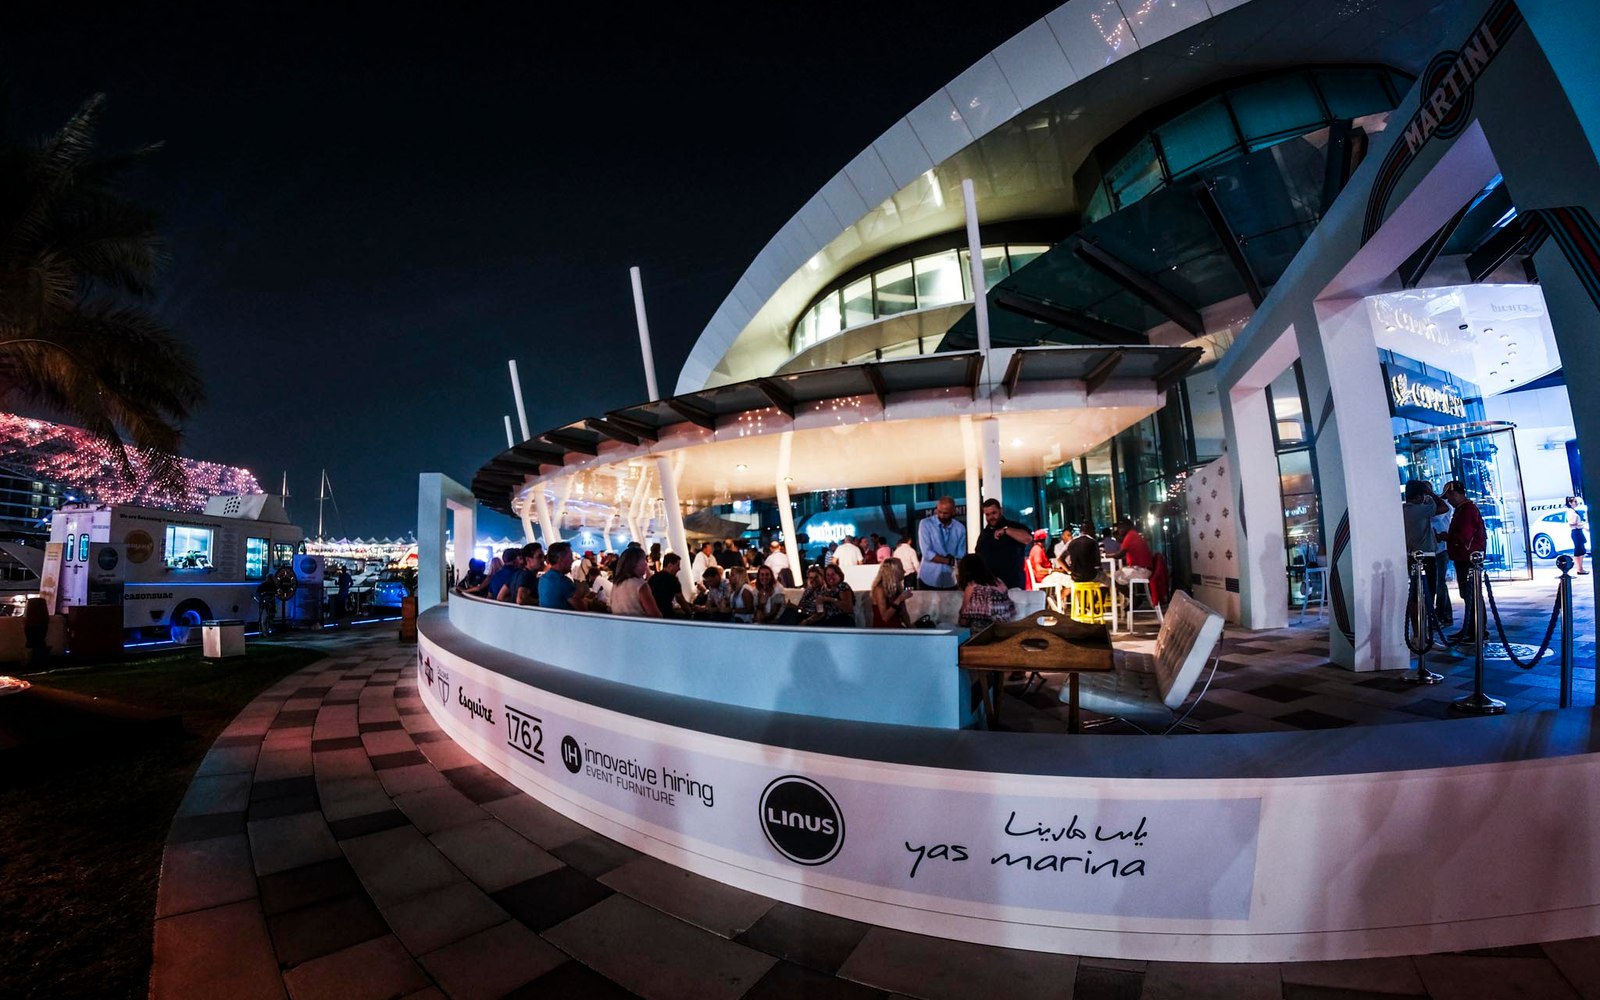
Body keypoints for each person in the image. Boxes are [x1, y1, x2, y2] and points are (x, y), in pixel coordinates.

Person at [1443, 480, 1487, 643]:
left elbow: (1464, 535)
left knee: (1471, 594)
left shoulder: (1466, 510)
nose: (1449, 501)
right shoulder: (1464, 509)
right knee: (1469, 595)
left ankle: (1477, 631)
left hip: (1467, 558)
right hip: (1464, 557)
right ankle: (1471, 629)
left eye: (1449, 497)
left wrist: (1447, 537)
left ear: (1455, 494)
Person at [1401, 481, 1443, 623]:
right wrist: (1430, 494)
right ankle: (1424, 629)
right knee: (1428, 593)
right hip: (1426, 556)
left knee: (1415, 593)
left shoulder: (1404, 510)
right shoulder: (1420, 510)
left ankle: (1418, 629)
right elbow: (1444, 507)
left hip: (1411, 556)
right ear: (1419, 496)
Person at [975, 498, 1033, 591]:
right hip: (990, 585)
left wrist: (1006, 530)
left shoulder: (1013, 526)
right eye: (987, 514)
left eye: (994, 513)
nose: (991, 517)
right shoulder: (984, 533)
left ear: (1000, 511)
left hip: (1012, 584)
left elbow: (1028, 538)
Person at [917, 496, 966, 590]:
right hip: (929, 578)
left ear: (953, 512)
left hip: (950, 580)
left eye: (946, 513)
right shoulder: (926, 524)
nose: (942, 515)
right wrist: (949, 561)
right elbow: (927, 553)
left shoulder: (960, 528)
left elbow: (960, 555)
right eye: (939, 512)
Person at [957, 554, 1015, 632]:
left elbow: (963, 620)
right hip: (1004, 629)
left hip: (984, 633)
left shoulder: (972, 587)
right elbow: (1012, 611)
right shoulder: (998, 581)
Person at [536, 542, 594, 611]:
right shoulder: (563, 582)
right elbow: (582, 608)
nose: (572, 560)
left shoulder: (543, 579)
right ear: (561, 559)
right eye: (570, 557)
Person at [608, 548, 661, 618]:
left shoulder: (616, 585)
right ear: (634, 563)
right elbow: (655, 616)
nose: (646, 564)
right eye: (644, 560)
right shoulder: (640, 585)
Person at [869, 559, 911, 628]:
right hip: (883, 629)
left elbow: (904, 613)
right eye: (901, 569)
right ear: (894, 572)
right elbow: (885, 617)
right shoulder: (880, 589)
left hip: (897, 628)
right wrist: (899, 599)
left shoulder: (897, 588)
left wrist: (911, 628)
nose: (904, 571)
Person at [648, 553, 693, 618]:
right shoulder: (673, 580)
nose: (679, 568)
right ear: (670, 565)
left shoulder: (652, 578)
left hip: (653, 614)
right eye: (677, 565)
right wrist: (690, 613)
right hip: (667, 614)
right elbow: (680, 600)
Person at [1113, 518, 1153, 586]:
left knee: (1115, 577)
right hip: (1142, 569)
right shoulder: (1133, 534)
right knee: (1118, 575)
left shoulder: (1130, 536)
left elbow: (1119, 555)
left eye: (1121, 527)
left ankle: (1131, 593)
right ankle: (1131, 592)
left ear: (1127, 526)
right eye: (1118, 527)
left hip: (1142, 570)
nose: (1119, 529)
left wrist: (1106, 556)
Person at [1568, 496, 1589, 575]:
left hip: (1578, 532)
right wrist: (1582, 524)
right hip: (1576, 532)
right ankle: (1579, 569)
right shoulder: (1571, 512)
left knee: (1581, 550)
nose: (1576, 503)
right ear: (1570, 503)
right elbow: (1572, 524)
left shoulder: (1574, 511)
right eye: (1575, 501)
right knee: (1578, 550)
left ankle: (1580, 568)